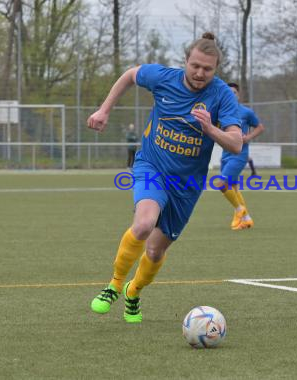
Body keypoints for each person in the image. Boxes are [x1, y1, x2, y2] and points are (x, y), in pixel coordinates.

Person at [87, 32, 242, 323]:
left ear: (216, 69)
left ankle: (134, 292)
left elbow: (236, 143)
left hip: (187, 184)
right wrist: (104, 110)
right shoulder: (163, 78)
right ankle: (115, 285)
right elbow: (130, 75)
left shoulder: (220, 95)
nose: (199, 73)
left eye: (207, 69)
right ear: (186, 61)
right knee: (144, 223)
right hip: (151, 166)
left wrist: (211, 130)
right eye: (195, 65)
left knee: (155, 251)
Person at [217, 82, 265, 230]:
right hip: (225, 154)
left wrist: (248, 137)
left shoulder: (246, 112)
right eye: (228, 92)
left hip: (239, 155)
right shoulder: (221, 111)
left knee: (221, 184)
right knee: (234, 188)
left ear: (238, 95)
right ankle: (246, 219)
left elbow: (260, 127)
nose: (231, 95)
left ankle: (239, 210)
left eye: (234, 93)